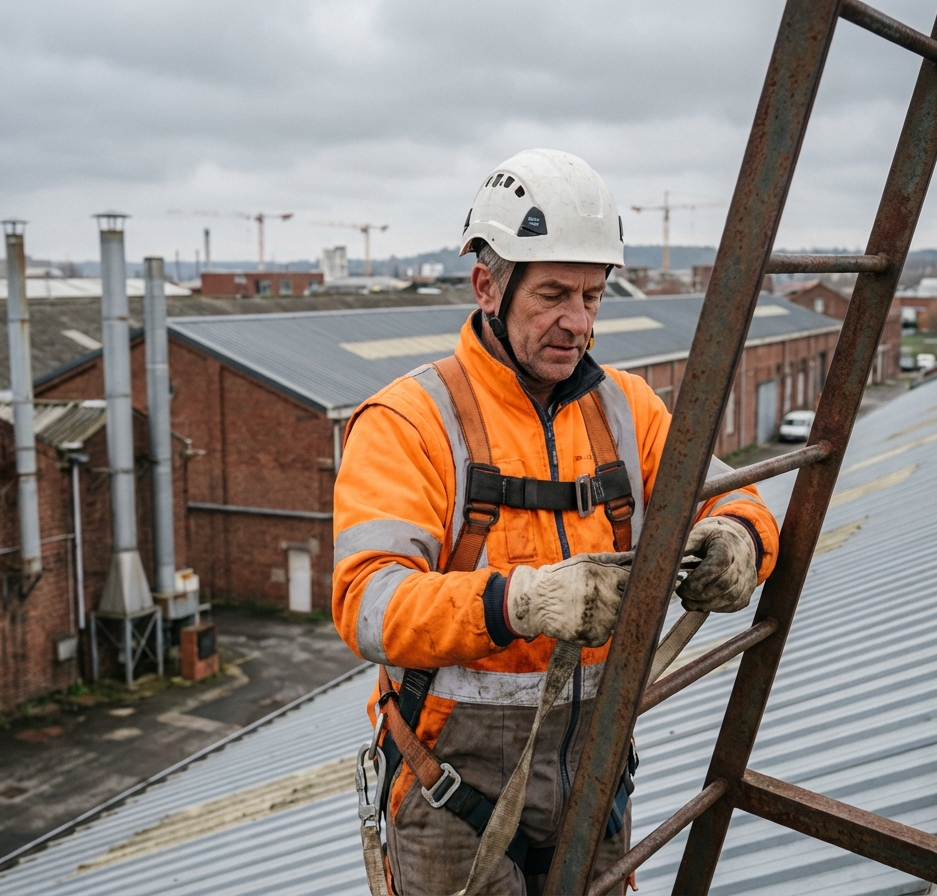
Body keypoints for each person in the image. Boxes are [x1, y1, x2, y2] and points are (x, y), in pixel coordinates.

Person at [334, 148, 779, 895]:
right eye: (552, 295)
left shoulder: (627, 410)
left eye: (593, 296)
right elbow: (368, 604)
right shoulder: (409, 423)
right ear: (487, 286)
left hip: (595, 774)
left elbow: (736, 498)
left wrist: (741, 541)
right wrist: (520, 602)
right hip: (451, 793)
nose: (578, 323)